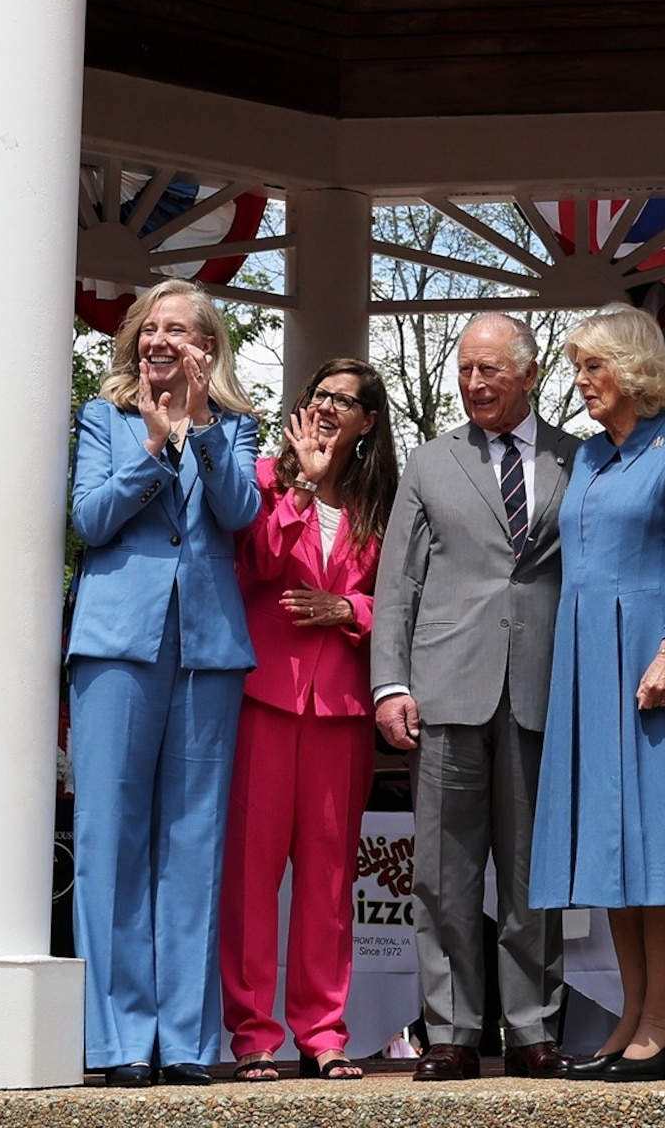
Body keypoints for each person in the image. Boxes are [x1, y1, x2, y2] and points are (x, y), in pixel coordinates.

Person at [370, 312, 577, 1082]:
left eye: (489, 370)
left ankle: (531, 1032)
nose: (473, 383)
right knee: (444, 873)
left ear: (528, 374)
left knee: (532, 874)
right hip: (447, 692)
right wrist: (390, 682)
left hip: (541, 691)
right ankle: (451, 1032)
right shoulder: (428, 463)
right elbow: (398, 585)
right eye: (464, 369)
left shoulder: (575, 459)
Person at [68, 280, 264, 1088]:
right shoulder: (101, 416)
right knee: (110, 840)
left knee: (194, 842)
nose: (160, 340)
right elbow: (88, 520)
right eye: (151, 328)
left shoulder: (236, 426)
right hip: (116, 644)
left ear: (206, 348)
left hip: (206, 649)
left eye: (178, 331)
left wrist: (201, 431)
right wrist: (150, 449)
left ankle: (185, 1040)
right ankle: (117, 1041)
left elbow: (242, 509)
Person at [533, 306, 665, 1084]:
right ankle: (631, 1012)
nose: (581, 381)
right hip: (587, 663)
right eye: (578, 367)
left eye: (594, 367)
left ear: (634, 368)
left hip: (654, 659)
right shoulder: (587, 458)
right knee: (611, 848)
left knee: (658, 843)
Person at [219, 357, 395, 1082]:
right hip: (266, 699)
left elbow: (411, 601)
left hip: (343, 711)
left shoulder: (383, 504)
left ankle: (323, 1032)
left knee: (327, 881)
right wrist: (300, 480)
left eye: (343, 401)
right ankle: (254, 1035)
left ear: (368, 422)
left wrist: (349, 609)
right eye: (318, 395)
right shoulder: (263, 480)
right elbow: (257, 565)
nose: (325, 408)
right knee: (252, 877)